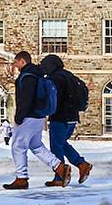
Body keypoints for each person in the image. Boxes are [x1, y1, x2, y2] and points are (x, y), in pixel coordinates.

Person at [3, 51, 62, 190]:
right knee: (36, 145)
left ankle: (21, 178)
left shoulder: (27, 76)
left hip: (28, 116)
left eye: (16, 62)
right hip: (38, 116)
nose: (15, 66)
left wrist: (19, 116)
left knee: (18, 146)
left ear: (22, 61)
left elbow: (26, 98)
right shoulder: (38, 74)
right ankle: (59, 167)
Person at [39, 54, 92, 187]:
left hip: (60, 117)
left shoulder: (55, 79)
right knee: (62, 143)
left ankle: (60, 176)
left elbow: (54, 98)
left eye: (45, 65)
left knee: (56, 146)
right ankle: (82, 164)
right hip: (73, 117)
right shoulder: (70, 76)